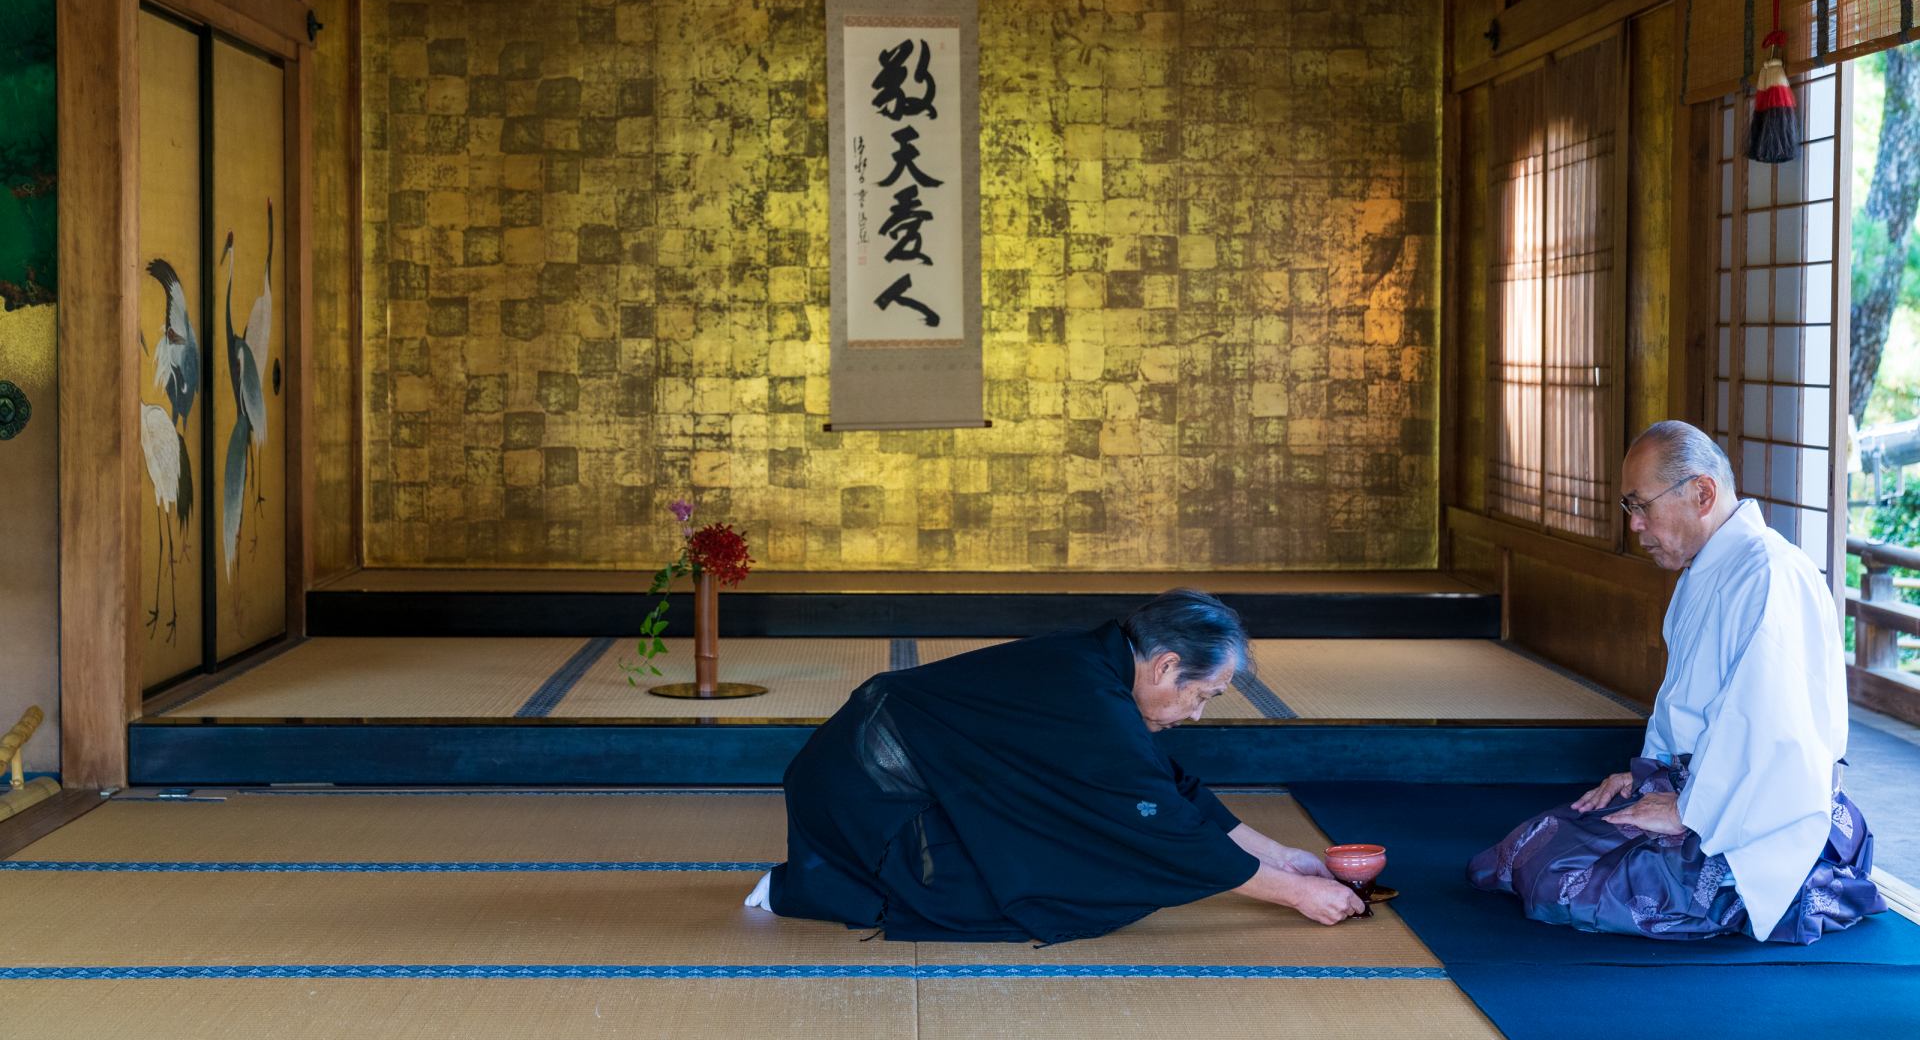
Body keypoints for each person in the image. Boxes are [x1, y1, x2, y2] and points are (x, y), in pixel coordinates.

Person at [746, 589, 1364, 942]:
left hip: (907, 774)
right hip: (869, 789)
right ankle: (808, 884)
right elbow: (1163, 827)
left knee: (1070, 853)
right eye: (1201, 696)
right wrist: (1296, 895)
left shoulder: (1102, 666)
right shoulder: (1092, 694)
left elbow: (1169, 788)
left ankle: (824, 875)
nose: (1196, 715)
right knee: (1021, 889)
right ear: (1167, 665)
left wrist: (1280, 858)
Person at [1469, 420, 1884, 943]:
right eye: (1631, 509)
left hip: (1762, 815)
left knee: (1561, 879)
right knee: (1530, 846)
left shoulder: (1771, 576)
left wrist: (1690, 810)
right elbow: (1686, 707)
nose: (1635, 526)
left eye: (1641, 506)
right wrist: (1650, 775)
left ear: (1702, 493)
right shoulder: (1707, 568)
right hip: (1708, 788)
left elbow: (1772, 733)